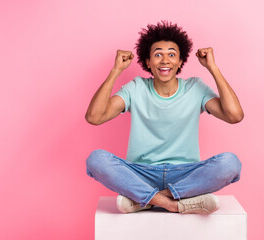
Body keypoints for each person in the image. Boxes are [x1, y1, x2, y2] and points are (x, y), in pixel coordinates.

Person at [85, 20, 244, 214]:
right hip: (141, 172)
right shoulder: (136, 87)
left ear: (180, 61)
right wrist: (116, 70)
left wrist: (213, 68)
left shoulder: (195, 87)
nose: (165, 60)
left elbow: (234, 115)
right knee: (96, 159)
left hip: (185, 174)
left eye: (171, 55)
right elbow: (95, 116)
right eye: (158, 54)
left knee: (230, 163)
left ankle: (146, 199)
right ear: (147, 62)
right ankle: (172, 203)